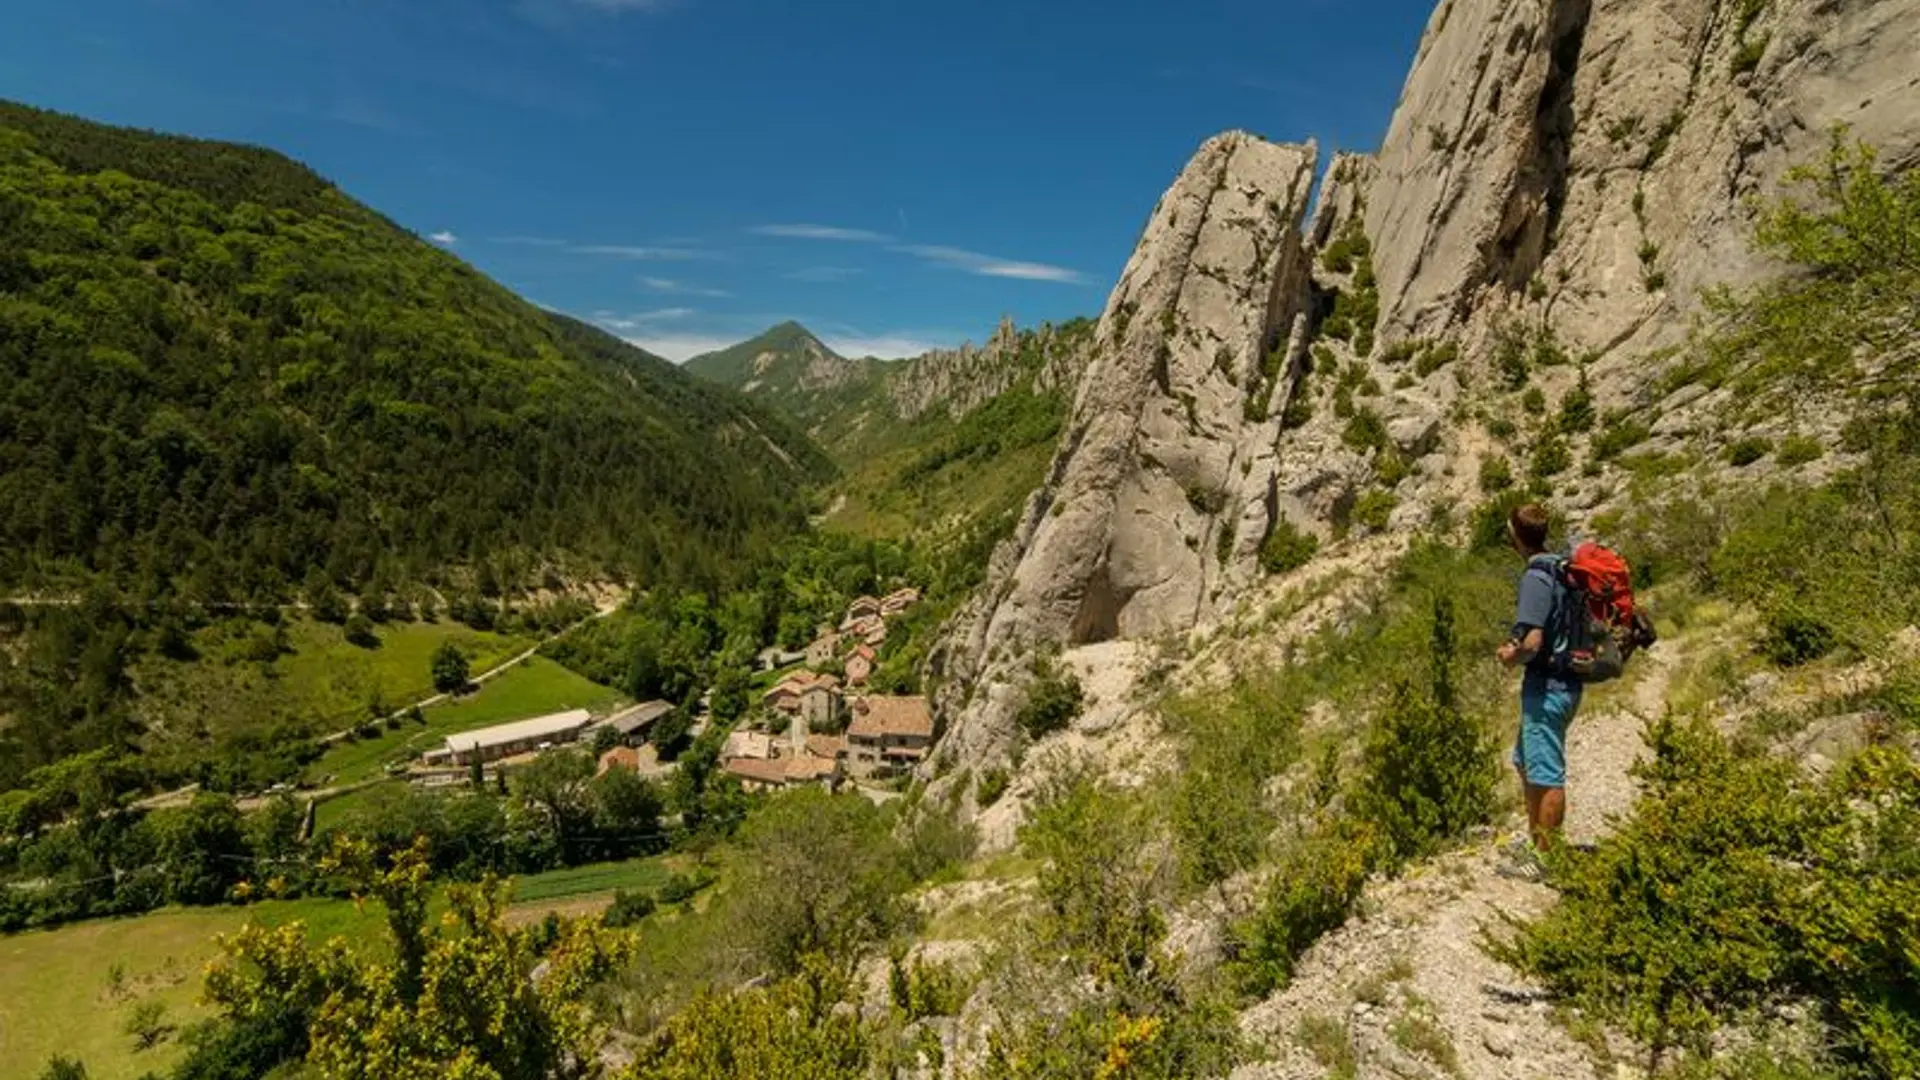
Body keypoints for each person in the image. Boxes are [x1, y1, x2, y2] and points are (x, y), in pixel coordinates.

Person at [1495, 502, 1580, 880]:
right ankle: (1537, 840)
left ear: (1515, 535)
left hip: (1547, 686)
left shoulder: (1535, 576)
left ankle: (1546, 859)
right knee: (1524, 761)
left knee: (1545, 773)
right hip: (1560, 682)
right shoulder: (1560, 567)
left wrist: (1510, 656)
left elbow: (1532, 640)